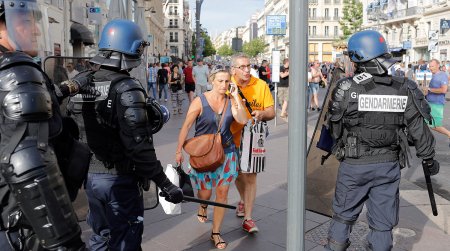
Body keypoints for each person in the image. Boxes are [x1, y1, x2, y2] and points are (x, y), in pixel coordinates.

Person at [69, 19, 183, 250]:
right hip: (118, 180)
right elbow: (138, 146)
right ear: (134, 49)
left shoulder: (81, 83)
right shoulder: (127, 87)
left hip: (91, 179)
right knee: (126, 241)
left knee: (100, 237)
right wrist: (165, 184)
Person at [325, 30, 439, 251]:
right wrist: (428, 158)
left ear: (357, 57)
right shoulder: (404, 87)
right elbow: (419, 130)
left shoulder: (347, 88)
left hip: (354, 164)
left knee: (343, 218)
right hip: (388, 165)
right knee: (383, 226)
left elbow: (334, 130)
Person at [0, 1, 86, 250]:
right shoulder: (15, 72)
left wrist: (69, 87)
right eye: (26, 22)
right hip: (26, 226)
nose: (36, 30)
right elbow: (29, 165)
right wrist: (67, 243)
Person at [175, 68, 247, 249]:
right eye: (220, 81)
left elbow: (243, 120)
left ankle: (215, 232)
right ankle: (203, 206)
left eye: (227, 82)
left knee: (222, 193)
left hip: (227, 152)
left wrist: (237, 97)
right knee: (205, 194)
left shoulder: (232, 100)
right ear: (212, 81)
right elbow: (186, 126)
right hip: (203, 154)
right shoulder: (200, 101)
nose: (224, 85)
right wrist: (178, 151)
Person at [230, 53, 275, 233]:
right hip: (230, 137)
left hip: (253, 137)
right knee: (237, 174)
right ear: (233, 69)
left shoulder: (260, 85)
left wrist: (262, 114)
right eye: (242, 67)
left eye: (248, 66)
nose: (247, 70)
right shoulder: (227, 84)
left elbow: (271, 111)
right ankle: (243, 199)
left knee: (251, 176)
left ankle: (248, 218)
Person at [424, 59, 450, 147]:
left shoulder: (442, 75)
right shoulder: (435, 75)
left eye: (432, 66)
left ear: (438, 65)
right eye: (430, 66)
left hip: (437, 104)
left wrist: (429, 89)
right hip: (430, 103)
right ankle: (425, 142)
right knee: (425, 122)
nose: (431, 68)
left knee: (435, 125)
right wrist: (426, 93)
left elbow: (444, 90)